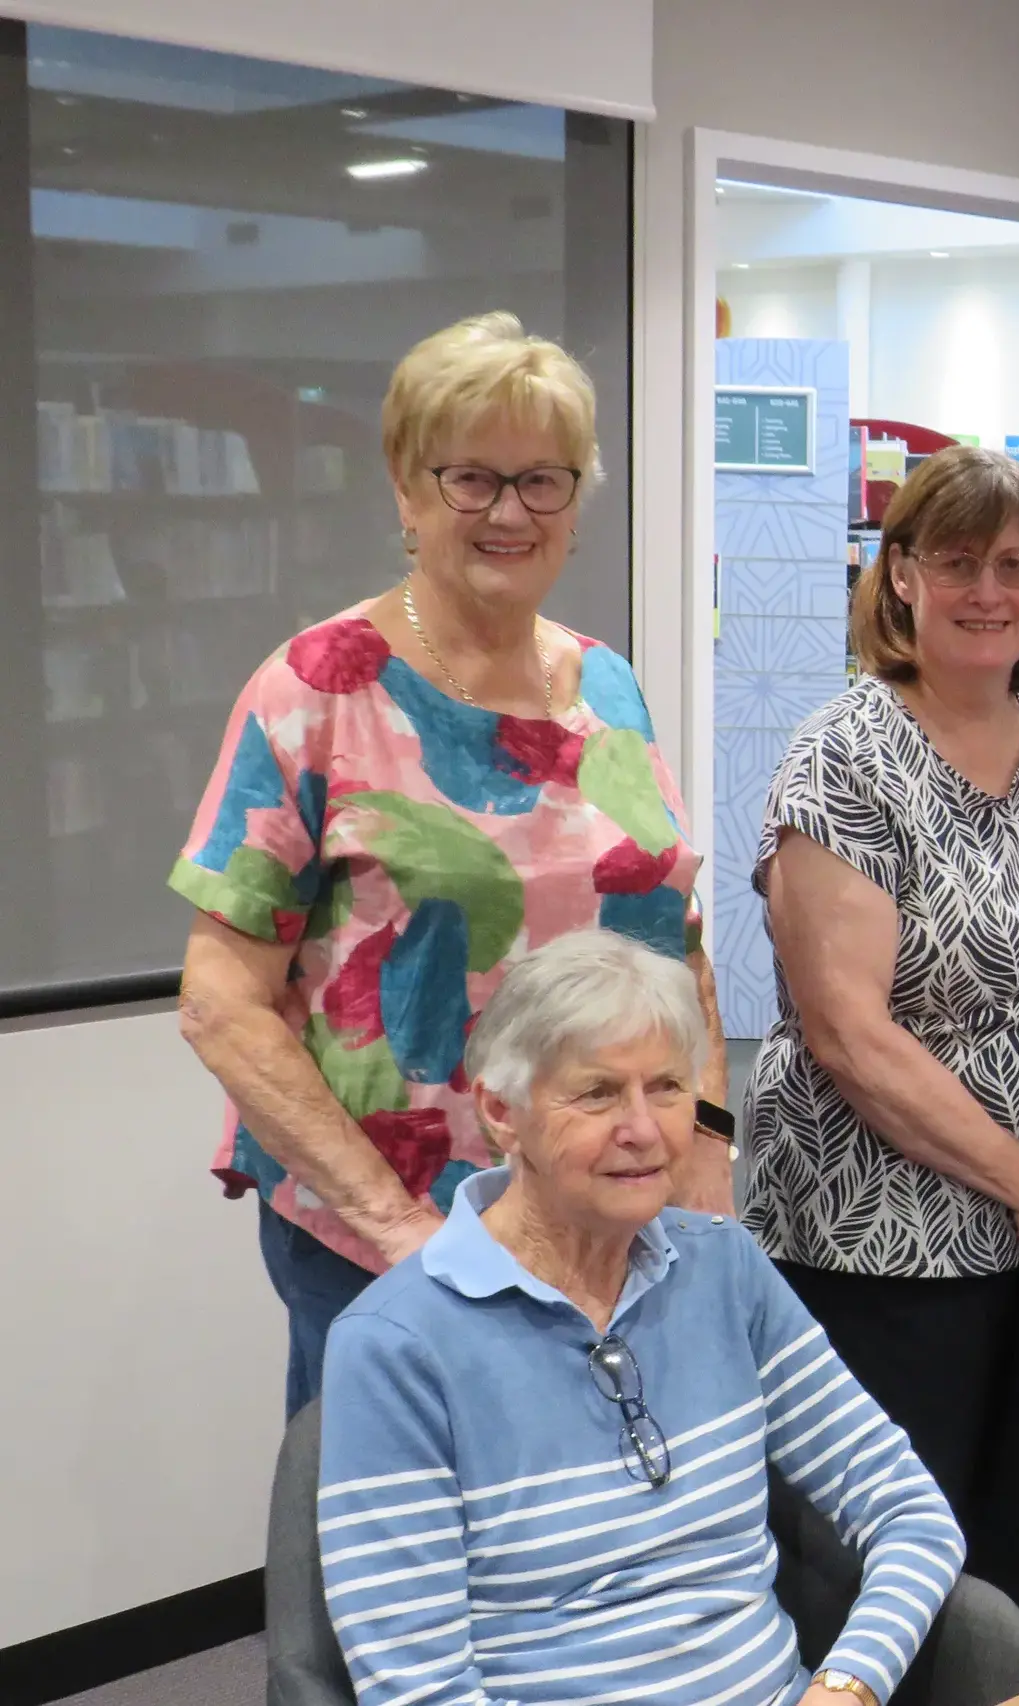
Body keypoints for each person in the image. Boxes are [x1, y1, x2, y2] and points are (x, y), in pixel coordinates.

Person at [172, 311, 725, 1417]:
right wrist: (401, 1231)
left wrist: (702, 1150)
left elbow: (679, 949)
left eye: (543, 480)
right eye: (472, 477)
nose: (510, 511)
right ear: (406, 487)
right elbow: (220, 1002)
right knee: (401, 1563)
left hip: (608, 1221)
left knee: (587, 1547)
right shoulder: (315, 689)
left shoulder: (608, 684)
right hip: (396, 1242)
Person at [318, 930, 962, 1706]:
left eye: (665, 1087)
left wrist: (846, 1685)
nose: (644, 1130)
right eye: (596, 1093)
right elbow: (418, 1691)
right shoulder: (397, 1346)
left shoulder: (724, 1270)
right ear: (500, 1111)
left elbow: (912, 1512)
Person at [745, 445, 1019, 1658]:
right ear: (901, 575)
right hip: (882, 1240)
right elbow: (849, 1033)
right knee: (887, 1565)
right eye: (958, 561)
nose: (989, 590)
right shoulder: (845, 756)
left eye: (1015, 565)